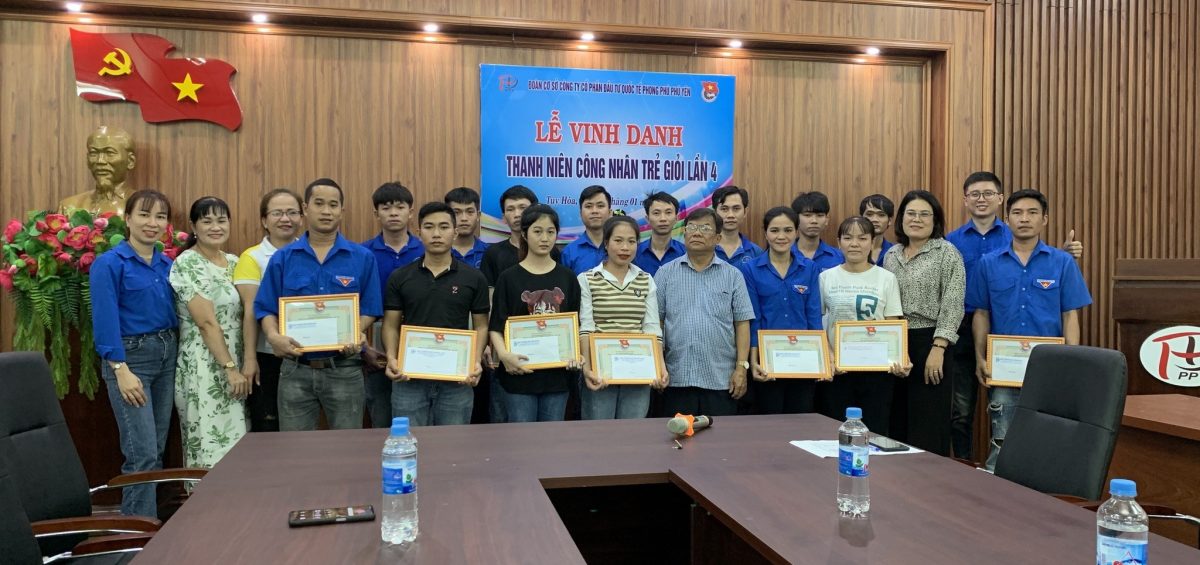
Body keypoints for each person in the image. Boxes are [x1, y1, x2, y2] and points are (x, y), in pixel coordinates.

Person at [944, 171, 1084, 459]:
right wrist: (981, 357)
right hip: (1001, 360)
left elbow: (1070, 315)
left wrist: (1071, 361)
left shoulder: (1061, 262)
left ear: (1044, 219)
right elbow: (982, 313)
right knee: (1003, 435)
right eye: (1018, 213)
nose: (1024, 218)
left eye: (1032, 213)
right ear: (1008, 219)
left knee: (1047, 434)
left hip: (1049, 362)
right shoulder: (988, 262)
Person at [254, 178, 382, 431]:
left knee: (348, 446)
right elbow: (266, 308)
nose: (326, 211)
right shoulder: (283, 258)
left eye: (333, 205)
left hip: (345, 369)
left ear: (341, 211)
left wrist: (354, 331)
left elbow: (370, 308)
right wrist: (273, 336)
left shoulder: (362, 257)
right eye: (319, 204)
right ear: (306, 208)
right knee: (295, 448)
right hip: (295, 370)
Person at [89, 189, 177, 517]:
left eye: (160, 217)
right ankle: (136, 533)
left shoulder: (167, 264)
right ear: (127, 219)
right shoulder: (109, 264)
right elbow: (105, 319)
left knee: (155, 449)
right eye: (144, 214)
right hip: (130, 359)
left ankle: (144, 524)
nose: (152, 223)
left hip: (167, 354)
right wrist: (120, 369)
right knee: (141, 454)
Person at [382, 202, 489, 426]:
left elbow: (481, 325)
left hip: (457, 380)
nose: (437, 234)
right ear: (419, 232)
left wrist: (475, 361)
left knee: (453, 444)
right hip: (409, 379)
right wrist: (391, 357)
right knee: (410, 440)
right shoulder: (400, 277)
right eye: (429, 227)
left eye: (444, 227)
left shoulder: (474, 278)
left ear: (455, 232)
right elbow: (391, 325)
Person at [882, 190, 966, 456]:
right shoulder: (891, 254)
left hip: (931, 342)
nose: (916, 219)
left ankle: (929, 476)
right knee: (897, 417)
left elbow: (953, 302)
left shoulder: (947, 253)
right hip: (896, 343)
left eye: (924, 214)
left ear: (935, 220)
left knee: (928, 421)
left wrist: (938, 347)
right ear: (901, 218)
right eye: (911, 213)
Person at [168, 197, 250, 469]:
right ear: (193, 227)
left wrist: (242, 364)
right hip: (205, 364)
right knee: (211, 446)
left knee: (238, 442)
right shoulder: (188, 263)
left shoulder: (234, 262)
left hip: (236, 362)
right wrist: (229, 368)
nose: (216, 227)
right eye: (207, 221)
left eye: (221, 220)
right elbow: (206, 323)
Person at [655, 208, 755, 417]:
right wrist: (658, 365)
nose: (697, 233)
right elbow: (657, 322)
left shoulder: (733, 275)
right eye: (691, 227)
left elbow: (742, 323)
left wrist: (741, 368)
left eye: (705, 228)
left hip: (721, 379)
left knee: (720, 436)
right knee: (678, 434)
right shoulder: (665, 273)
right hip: (677, 377)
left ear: (718, 238)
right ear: (684, 234)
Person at [488, 205, 582, 422]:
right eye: (537, 231)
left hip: (557, 377)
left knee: (551, 438)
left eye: (550, 232)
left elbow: (575, 325)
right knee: (521, 438)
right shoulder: (508, 278)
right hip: (519, 374)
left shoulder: (568, 278)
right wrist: (504, 356)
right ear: (524, 234)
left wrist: (576, 353)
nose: (545, 238)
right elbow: (496, 326)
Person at [820, 216, 909, 434]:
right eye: (848, 238)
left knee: (876, 432)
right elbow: (818, 323)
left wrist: (900, 359)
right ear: (838, 242)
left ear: (872, 242)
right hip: (838, 371)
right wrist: (829, 356)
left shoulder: (886, 278)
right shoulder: (825, 278)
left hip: (877, 371)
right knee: (836, 432)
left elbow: (893, 325)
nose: (854, 244)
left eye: (862, 238)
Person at [479, 186, 560, 423]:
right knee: (504, 417)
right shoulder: (495, 255)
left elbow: (563, 313)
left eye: (522, 208)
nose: (517, 214)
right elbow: (492, 304)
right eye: (510, 209)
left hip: (550, 359)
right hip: (506, 348)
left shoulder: (556, 257)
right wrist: (495, 346)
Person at [579, 216, 667, 419]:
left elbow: (652, 328)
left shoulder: (646, 279)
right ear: (606, 243)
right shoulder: (587, 279)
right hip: (601, 372)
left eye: (631, 241)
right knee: (598, 432)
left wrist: (660, 367)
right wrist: (587, 369)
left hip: (638, 370)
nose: (625, 247)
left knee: (633, 433)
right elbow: (586, 328)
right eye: (618, 240)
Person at [739, 207, 822, 414]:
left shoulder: (809, 268)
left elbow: (813, 316)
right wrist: (753, 361)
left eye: (788, 230)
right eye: (774, 230)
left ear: (796, 232)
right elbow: (754, 319)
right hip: (767, 361)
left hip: (804, 358)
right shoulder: (750, 269)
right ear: (765, 233)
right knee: (770, 421)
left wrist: (821, 361)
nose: (781, 236)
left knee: (801, 419)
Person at [233, 188, 303, 432]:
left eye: (292, 212)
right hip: (267, 355)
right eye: (277, 213)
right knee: (268, 426)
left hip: (304, 355)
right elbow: (250, 310)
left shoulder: (311, 254)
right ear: (264, 220)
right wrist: (250, 359)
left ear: (301, 217)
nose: (285, 219)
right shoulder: (252, 257)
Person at [360, 182, 425, 428]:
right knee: (381, 418)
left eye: (400, 207)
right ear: (376, 213)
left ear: (411, 212)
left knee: (415, 420)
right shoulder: (362, 253)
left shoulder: (427, 250)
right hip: (373, 348)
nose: (394, 213)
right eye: (386, 208)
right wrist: (364, 347)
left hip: (420, 344)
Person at [60, 125, 137, 216]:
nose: (100, 161)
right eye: (94, 153)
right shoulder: (69, 207)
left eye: (109, 152)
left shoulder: (143, 207)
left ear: (130, 161)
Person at [560, 184, 613, 274]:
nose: (594, 211)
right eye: (588, 206)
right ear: (581, 213)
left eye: (600, 206)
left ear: (610, 212)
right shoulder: (569, 253)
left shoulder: (621, 248)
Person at [633, 191, 685, 276]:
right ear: (647, 219)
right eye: (656, 213)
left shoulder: (685, 253)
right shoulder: (634, 253)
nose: (663, 218)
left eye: (668, 212)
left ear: (676, 218)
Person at [791, 191, 845, 273]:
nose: (814, 221)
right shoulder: (784, 255)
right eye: (807, 215)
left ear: (826, 220)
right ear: (795, 219)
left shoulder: (840, 258)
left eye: (820, 215)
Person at [712, 185, 763, 267]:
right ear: (715, 212)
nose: (730, 215)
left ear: (745, 212)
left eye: (736, 209)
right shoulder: (704, 248)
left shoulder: (756, 253)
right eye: (724, 209)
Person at [445, 186, 489, 269]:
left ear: (478, 216)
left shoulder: (490, 252)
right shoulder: (437, 252)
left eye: (470, 212)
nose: (464, 218)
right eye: (456, 212)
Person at [859, 194, 896, 266]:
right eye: (869, 214)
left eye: (881, 215)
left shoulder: (896, 252)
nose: (875, 219)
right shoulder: (850, 250)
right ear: (861, 218)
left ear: (889, 221)